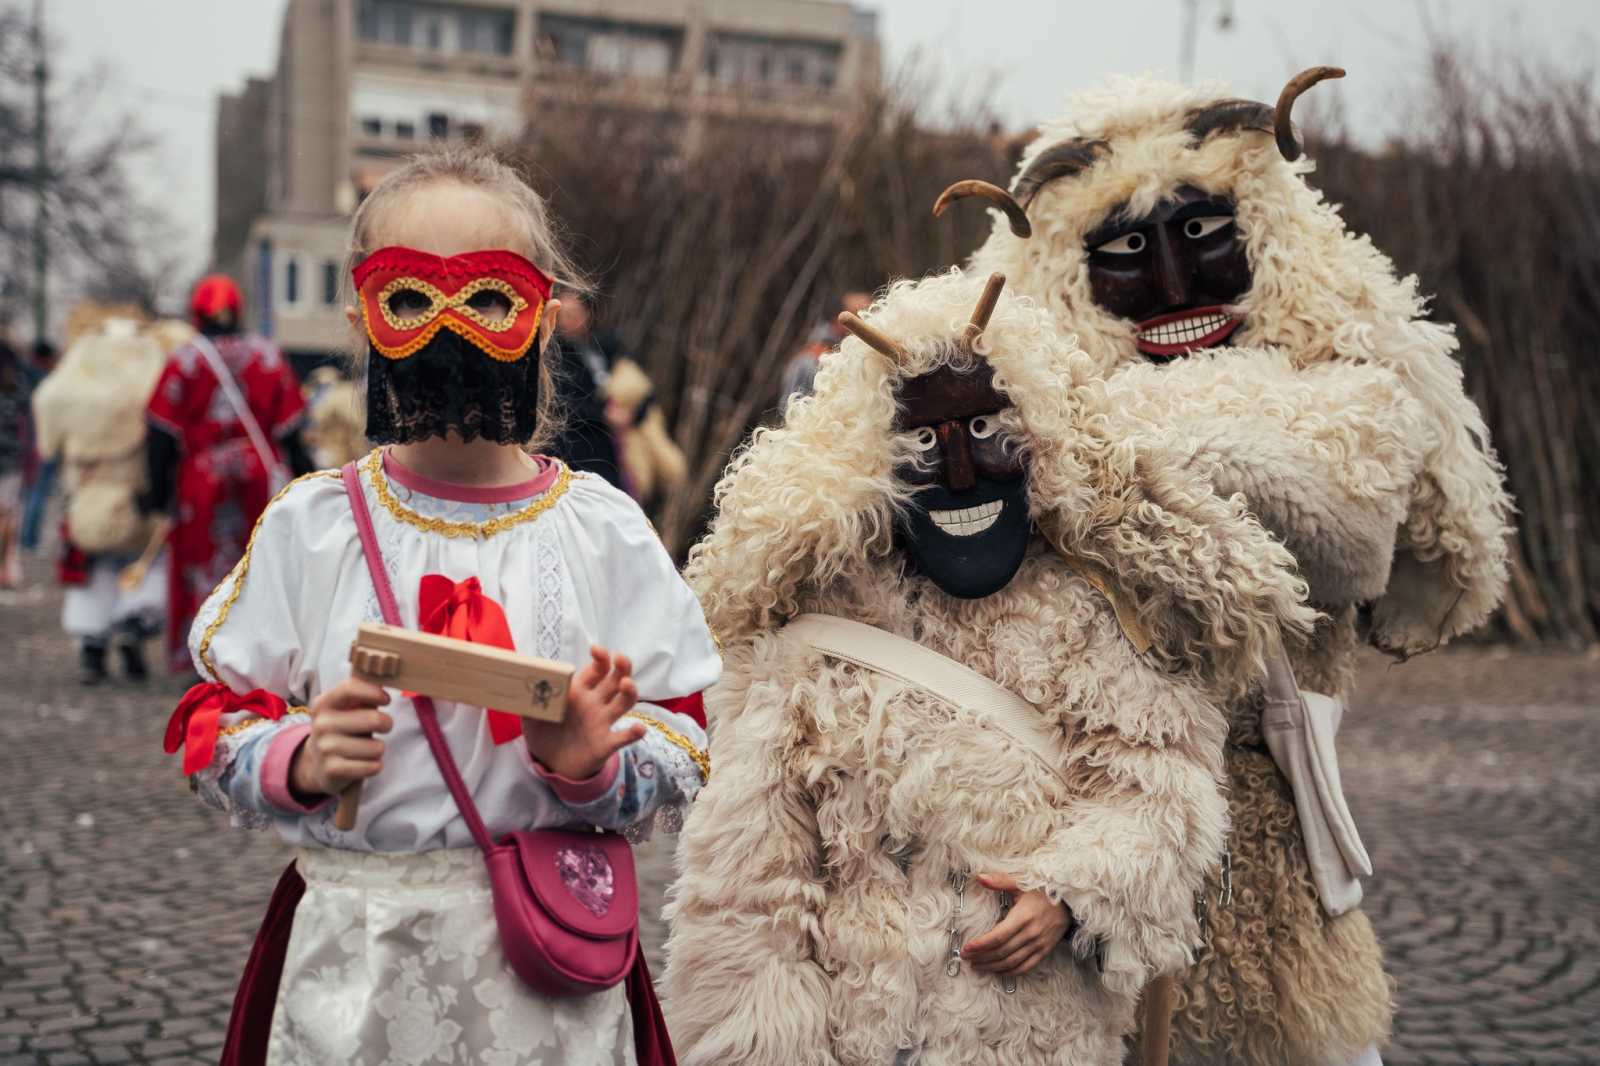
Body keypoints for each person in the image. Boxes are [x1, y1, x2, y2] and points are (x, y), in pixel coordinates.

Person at [943, 68, 1512, 1066]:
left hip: (1271, 875)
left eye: (1206, 235)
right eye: (1122, 252)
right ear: (1064, 275)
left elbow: (1345, 536)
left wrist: (1084, 439)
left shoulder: (1349, 396)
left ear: (1269, 236)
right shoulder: (1010, 427)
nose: (1172, 286)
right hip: (1071, 869)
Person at [662, 269, 1314, 1065]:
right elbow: (747, 893)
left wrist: (1071, 894)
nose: (963, 472)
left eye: (990, 431)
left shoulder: (1093, 612)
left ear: (1040, 435)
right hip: (852, 1034)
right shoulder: (813, 627)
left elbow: (1161, 793)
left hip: (1030, 1034)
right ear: (871, 457)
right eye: (929, 443)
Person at [160, 145, 718, 1066]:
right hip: (357, 974)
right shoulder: (315, 527)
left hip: (547, 976)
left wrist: (591, 768)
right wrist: (295, 755)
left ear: (540, 317)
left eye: (487, 297)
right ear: (362, 318)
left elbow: (687, 733)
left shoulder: (602, 532)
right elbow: (209, 716)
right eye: (412, 299)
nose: (447, 329)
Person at [143, 275, 315, 674]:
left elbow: (161, 433)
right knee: (259, 566)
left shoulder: (185, 359)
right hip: (259, 476)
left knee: (201, 565)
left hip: (201, 480)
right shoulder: (268, 356)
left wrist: (158, 492)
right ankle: (258, 659)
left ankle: (200, 655)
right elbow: (292, 432)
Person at [30, 310, 172, 682]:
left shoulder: (71, 385)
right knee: (143, 567)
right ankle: (133, 630)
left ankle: (93, 648)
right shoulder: (148, 375)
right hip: (133, 494)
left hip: (87, 496)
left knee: (92, 575)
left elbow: (49, 440)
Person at [546, 287, 686, 505]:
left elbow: (643, 390)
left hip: (622, 445)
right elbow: (560, 403)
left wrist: (631, 415)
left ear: (586, 314)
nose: (567, 322)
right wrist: (603, 415)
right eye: (562, 316)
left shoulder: (608, 346)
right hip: (582, 446)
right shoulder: (556, 357)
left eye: (572, 315)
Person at [776, 289, 871, 407]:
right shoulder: (808, 362)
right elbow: (790, 412)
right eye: (861, 318)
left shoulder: (858, 360)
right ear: (840, 320)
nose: (867, 326)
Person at [0, 339, 28, 587]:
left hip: (10, 459)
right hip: (10, 460)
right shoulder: (16, 387)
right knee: (8, 514)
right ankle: (7, 566)